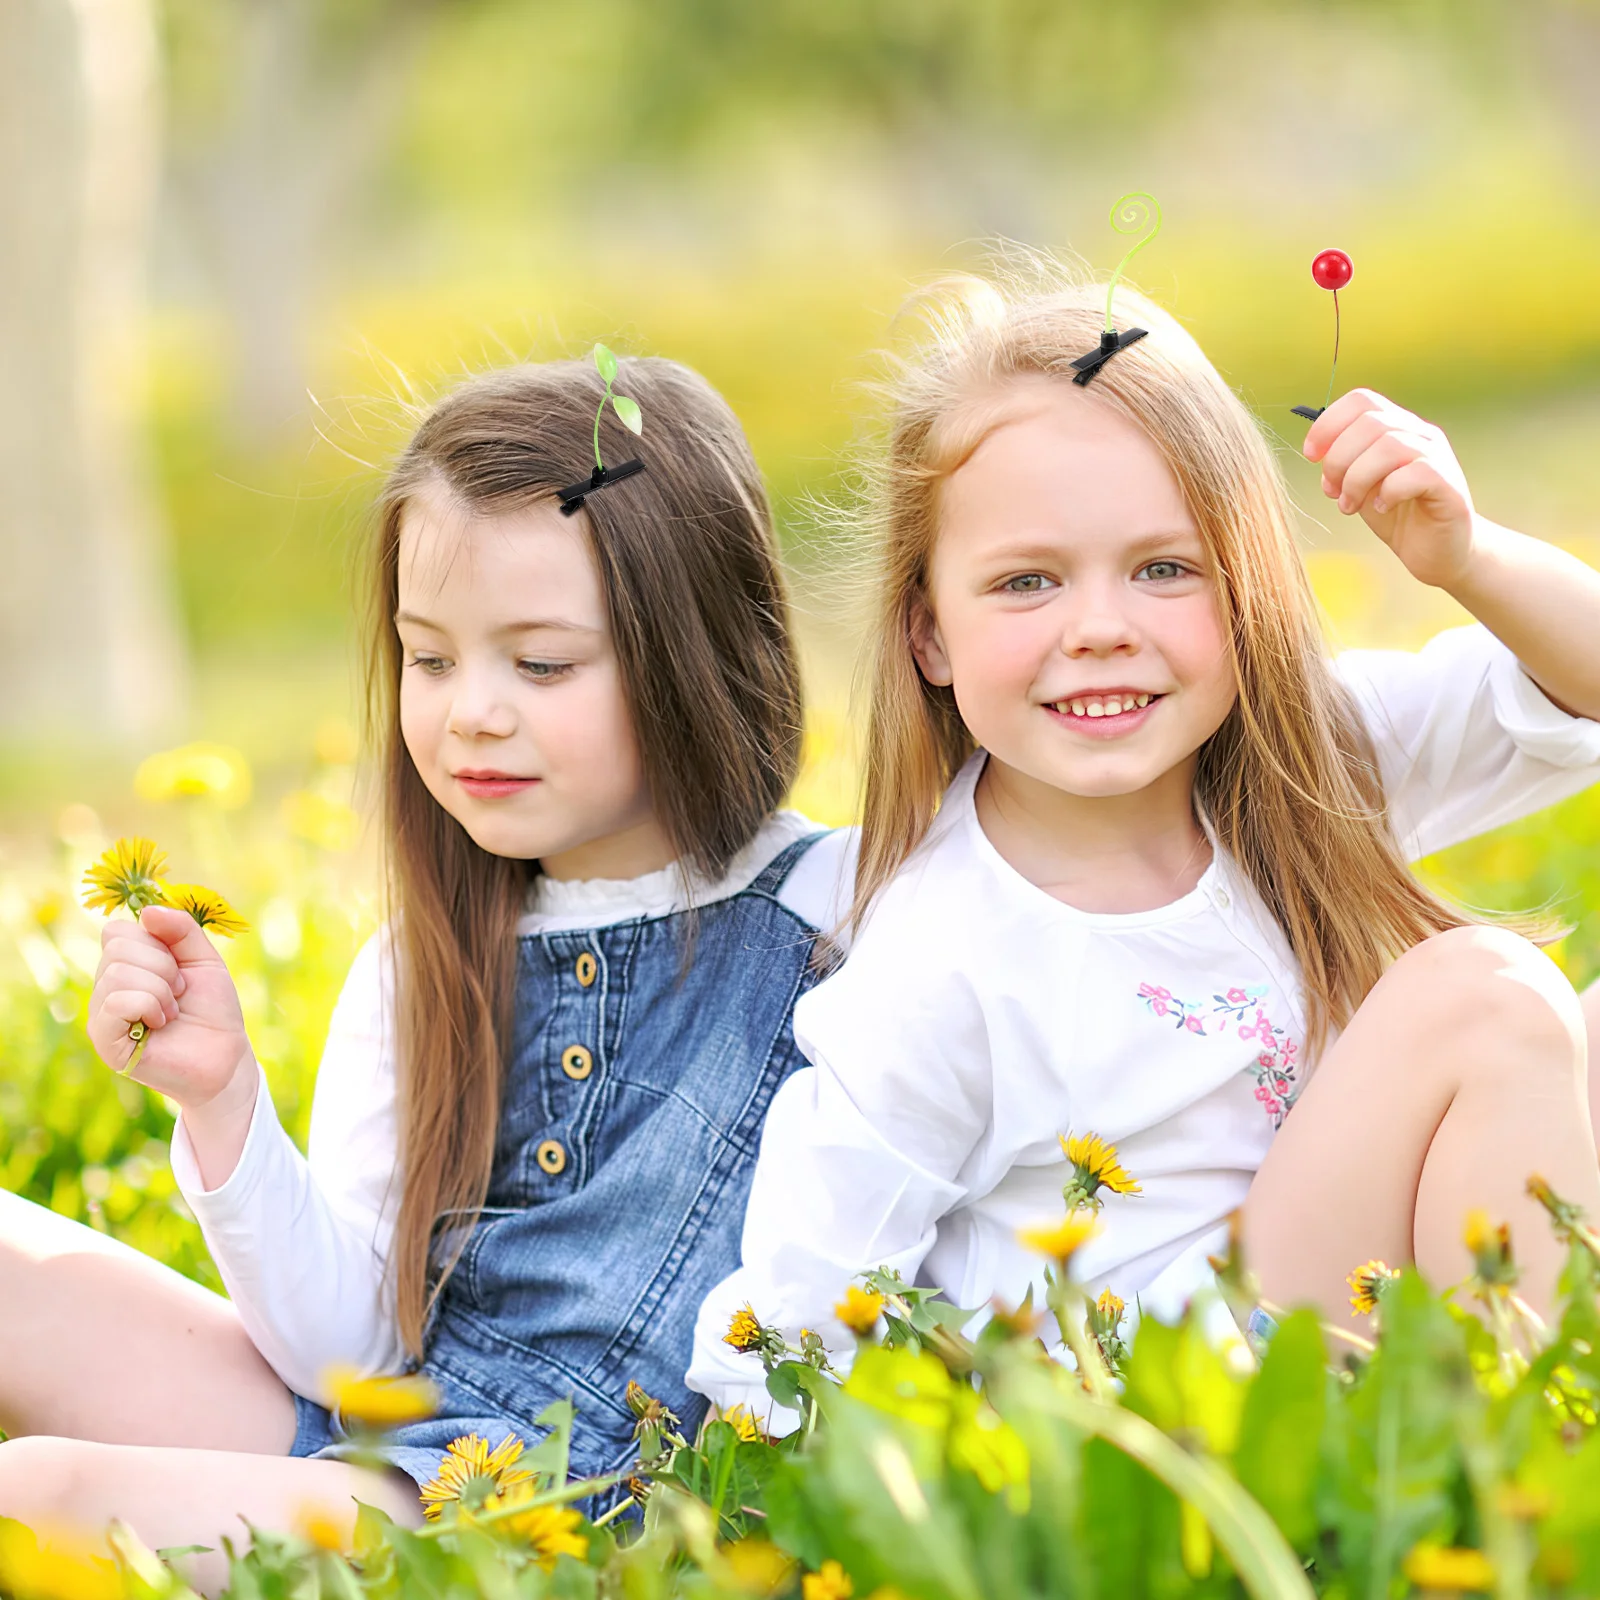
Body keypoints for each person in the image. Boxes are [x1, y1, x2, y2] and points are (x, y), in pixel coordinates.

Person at [688, 264, 1600, 1426]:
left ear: (1244, 591)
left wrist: (1464, 558)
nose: (1102, 629)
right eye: (1027, 582)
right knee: (1485, 998)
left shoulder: (1304, 769)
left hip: (1342, 1316)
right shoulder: (941, 961)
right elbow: (786, 1328)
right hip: (1169, 1436)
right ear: (928, 635)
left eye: (1164, 568)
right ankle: (1526, 1470)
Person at [0, 355, 853, 1580]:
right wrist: (222, 1102)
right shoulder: (424, 961)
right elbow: (350, 1349)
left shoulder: (845, 912)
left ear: (700, 650)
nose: (469, 714)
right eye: (432, 659)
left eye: (540, 664)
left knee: (45, 1499)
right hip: (396, 1443)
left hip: (577, 1508)